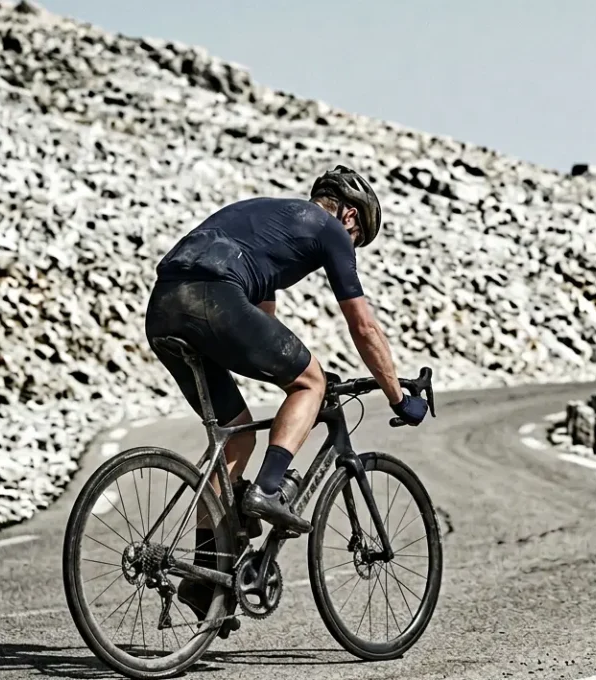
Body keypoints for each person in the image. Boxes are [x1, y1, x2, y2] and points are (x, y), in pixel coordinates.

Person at [143, 165, 428, 618]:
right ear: (351, 216)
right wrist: (398, 396)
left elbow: (266, 327)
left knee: (237, 433)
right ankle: (269, 491)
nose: (351, 248)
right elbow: (363, 325)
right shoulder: (330, 229)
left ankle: (205, 577)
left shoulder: (267, 221)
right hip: (216, 295)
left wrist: (295, 377)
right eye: (358, 241)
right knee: (309, 381)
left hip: (163, 307)